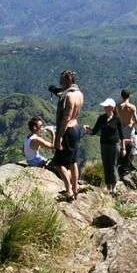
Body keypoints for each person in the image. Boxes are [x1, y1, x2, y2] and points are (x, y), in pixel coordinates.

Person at [50, 69, 84, 200]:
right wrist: (55, 90)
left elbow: (66, 118)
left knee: (59, 163)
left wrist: (58, 137)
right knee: (73, 161)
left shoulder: (68, 96)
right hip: (76, 128)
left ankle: (69, 190)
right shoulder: (79, 94)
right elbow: (63, 93)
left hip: (67, 131)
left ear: (68, 80)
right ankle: (76, 187)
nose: (60, 82)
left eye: (62, 80)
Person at [85, 98, 124, 194]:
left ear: (112, 107)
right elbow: (94, 131)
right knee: (106, 165)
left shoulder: (117, 119)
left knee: (113, 165)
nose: (104, 108)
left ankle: (114, 186)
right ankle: (108, 186)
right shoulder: (101, 118)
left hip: (114, 145)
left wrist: (123, 148)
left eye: (106, 106)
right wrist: (88, 130)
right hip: (104, 145)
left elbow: (121, 135)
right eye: (104, 106)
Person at [117, 89, 137, 175]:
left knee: (123, 148)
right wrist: (132, 123)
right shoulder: (132, 107)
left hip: (122, 130)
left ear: (121, 96)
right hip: (130, 130)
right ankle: (128, 168)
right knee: (132, 150)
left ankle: (122, 167)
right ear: (129, 96)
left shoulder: (118, 106)